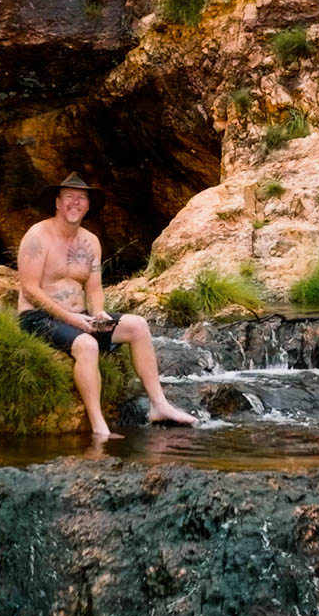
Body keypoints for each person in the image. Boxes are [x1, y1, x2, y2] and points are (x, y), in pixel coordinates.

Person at [17, 173, 198, 440]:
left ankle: (159, 405)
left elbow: (93, 288)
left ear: (88, 206)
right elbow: (30, 289)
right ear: (57, 202)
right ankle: (99, 427)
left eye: (81, 198)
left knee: (137, 325)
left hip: (78, 316)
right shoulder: (38, 236)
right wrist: (71, 318)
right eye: (69, 197)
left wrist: (98, 312)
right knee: (87, 345)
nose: (75, 203)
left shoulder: (90, 241)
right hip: (37, 317)